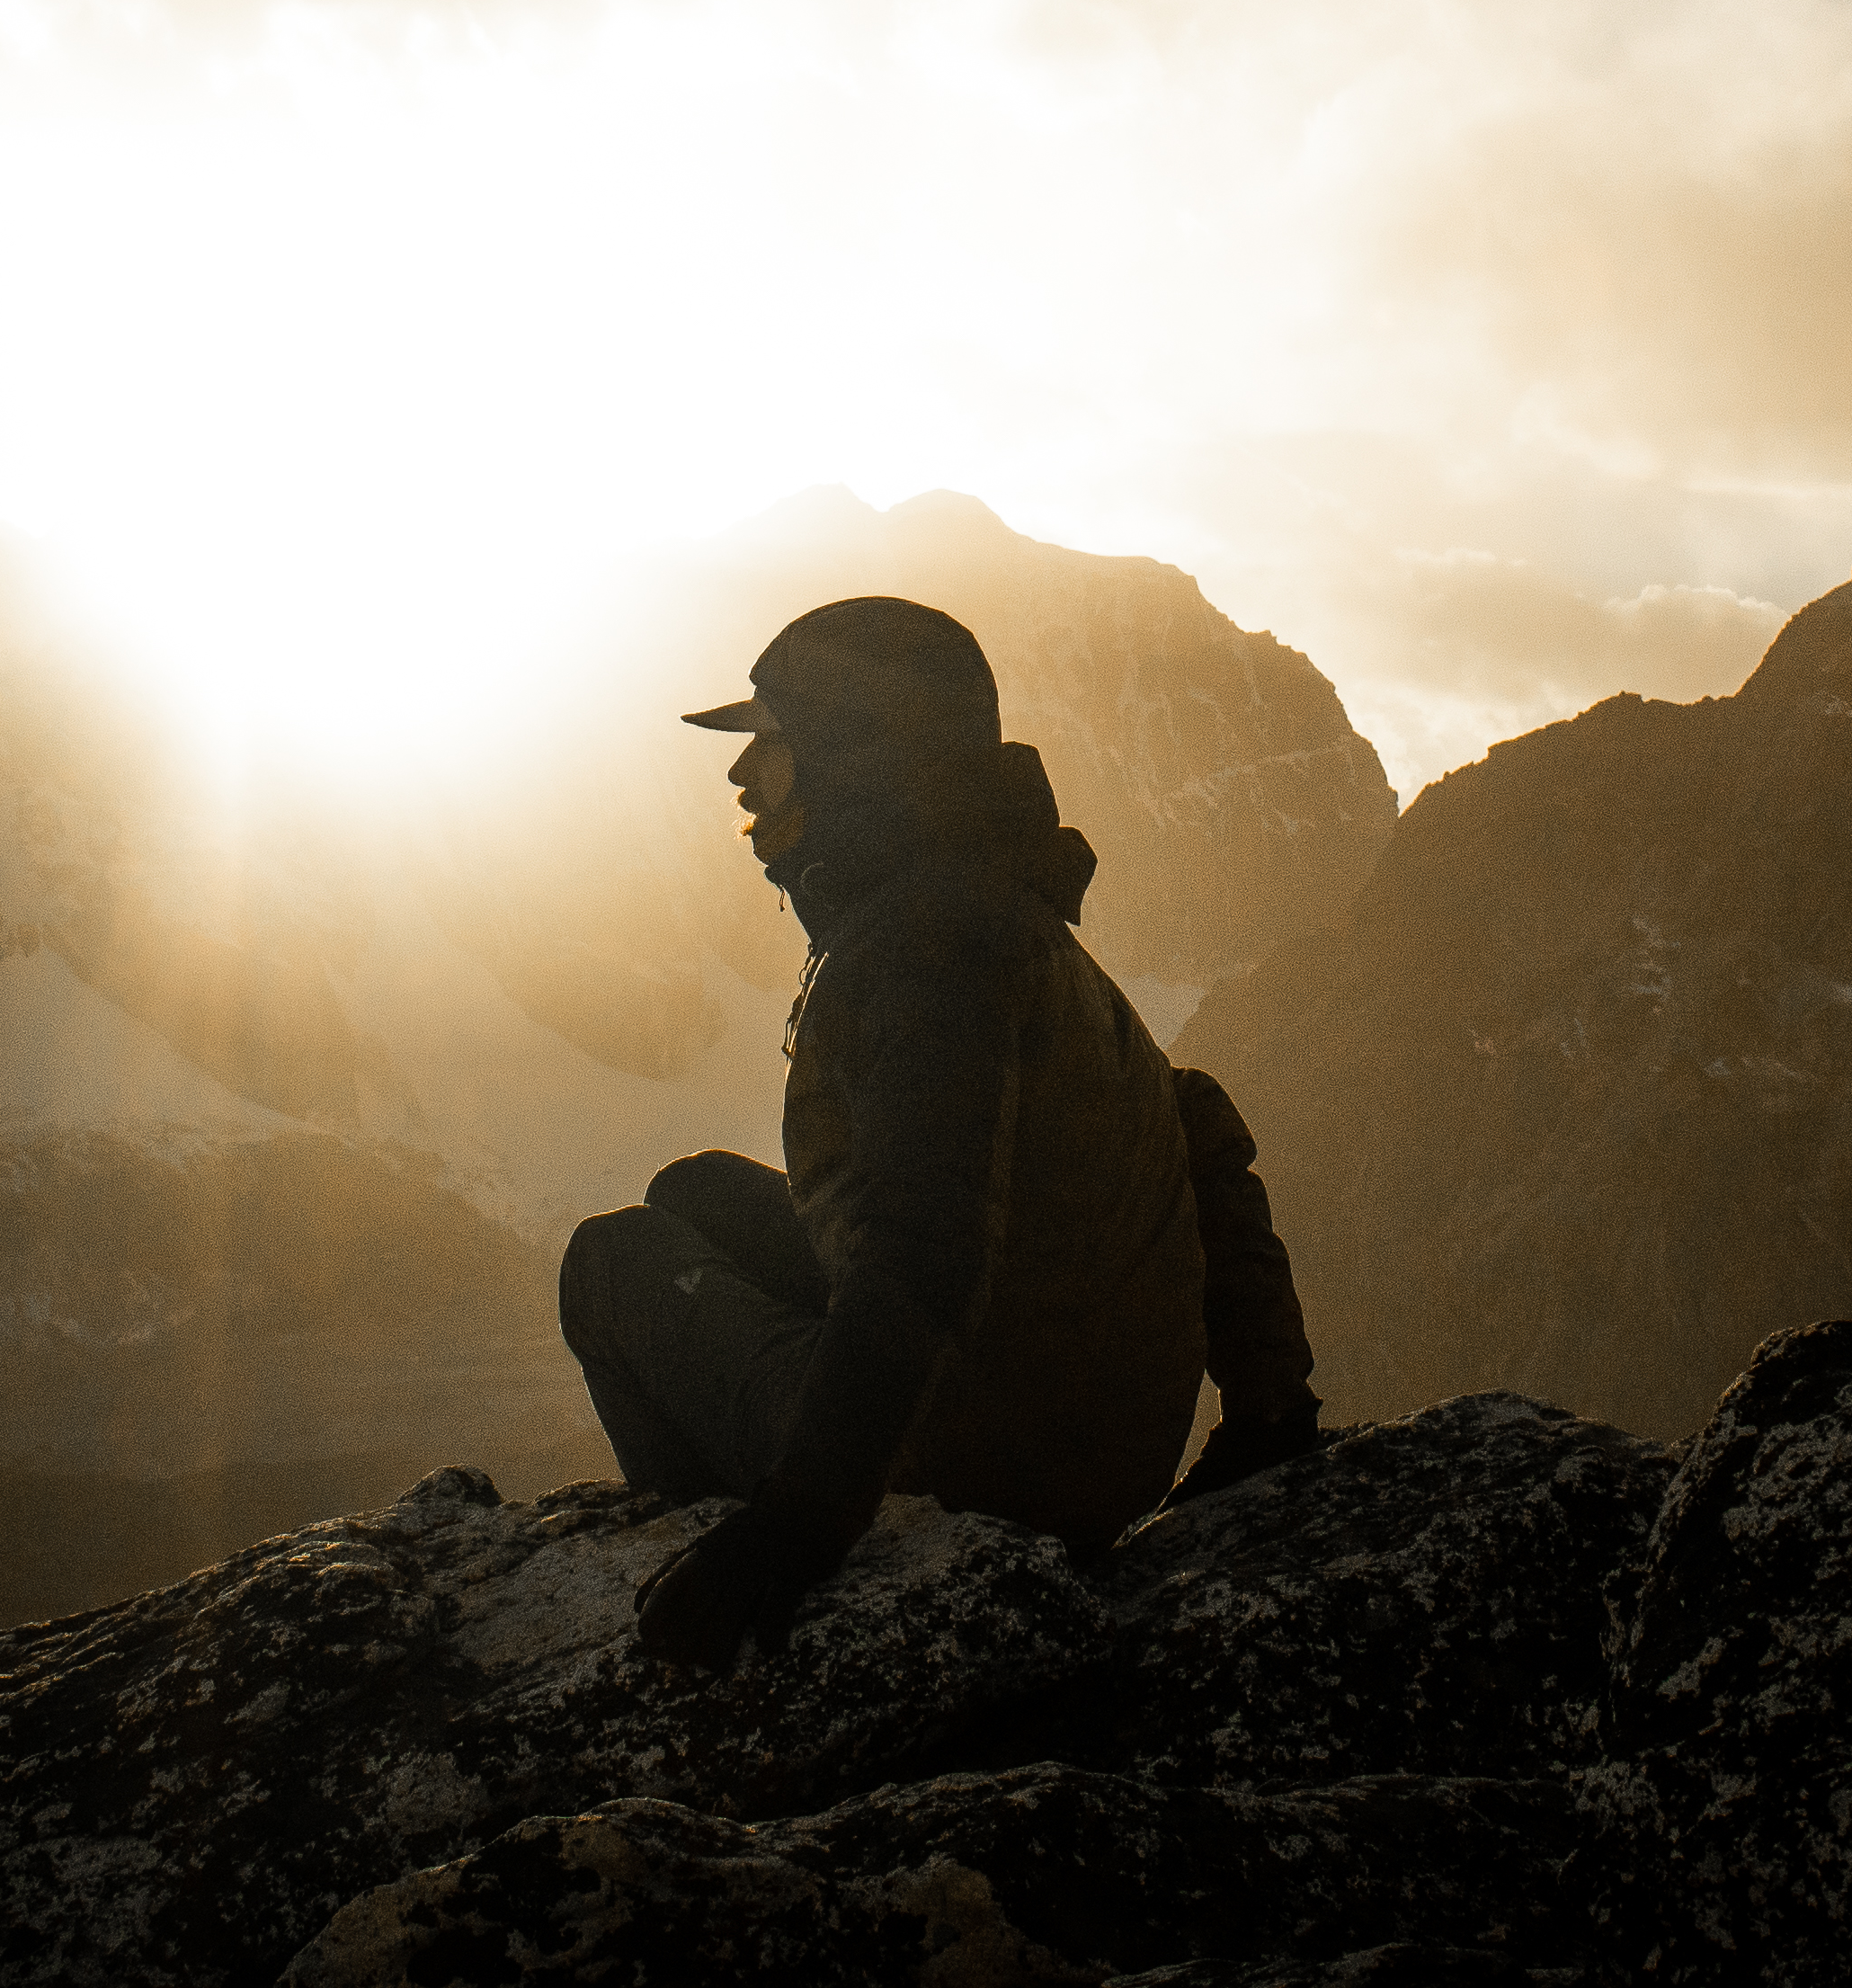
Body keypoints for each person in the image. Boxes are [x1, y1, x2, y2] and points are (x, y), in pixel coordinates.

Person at [560, 594, 1324, 1672]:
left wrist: (797, 1525)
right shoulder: (991, 904)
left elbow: (922, 1251)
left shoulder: (924, 946)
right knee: (693, 1192)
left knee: (608, 1261)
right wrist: (1267, 1415)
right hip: (1084, 1432)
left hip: (981, 1459)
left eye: (771, 742)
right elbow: (1189, 1116)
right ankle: (767, 1501)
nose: (741, 777)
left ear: (849, 755)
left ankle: (715, 1608)